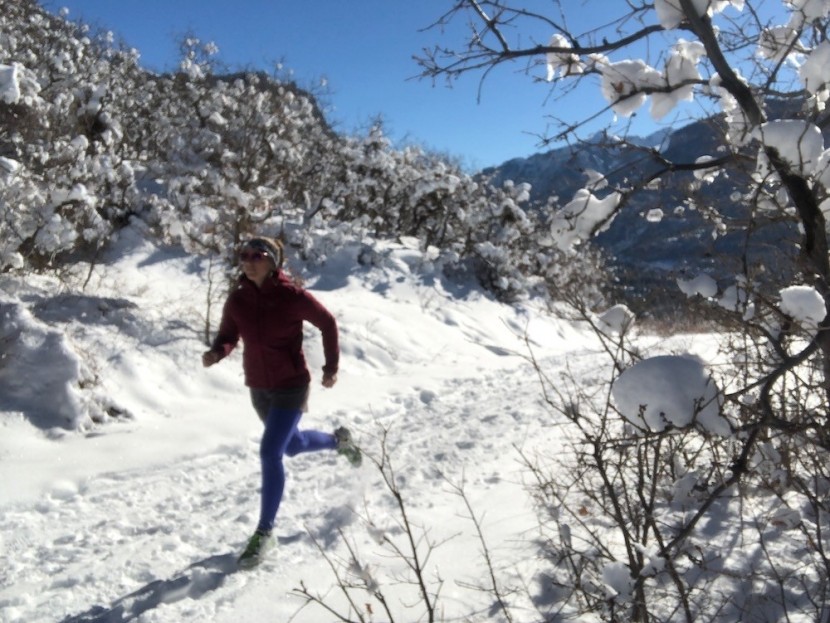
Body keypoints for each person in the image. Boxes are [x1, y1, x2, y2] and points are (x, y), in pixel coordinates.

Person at [202, 236, 361, 568]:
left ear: (272, 262)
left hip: (291, 384)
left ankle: (265, 533)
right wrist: (219, 351)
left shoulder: (292, 297)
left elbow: (328, 323)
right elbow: (229, 334)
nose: (248, 261)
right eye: (243, 255)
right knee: (292, 445)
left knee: (270, 452)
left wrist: (330, 367)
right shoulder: (238, 300)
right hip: (259, 387)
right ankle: (339, 441)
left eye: (257, 256)